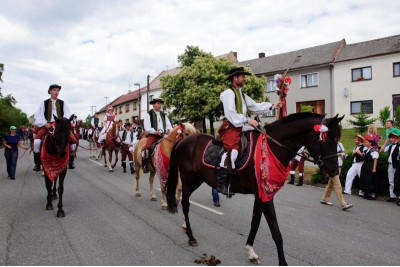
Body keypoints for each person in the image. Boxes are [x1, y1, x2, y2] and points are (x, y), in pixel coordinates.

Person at [217, 66, 281, 195]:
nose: (244, 79)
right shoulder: (228, 93)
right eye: (242, 76)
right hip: (230, 126)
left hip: (241, 125)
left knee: (261, 137)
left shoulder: (242, 95)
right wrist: (248, 120)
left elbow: (256, 107)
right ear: (235, 78)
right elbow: (231, 113)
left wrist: (273, 106)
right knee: (233, 151)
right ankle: (222, 183)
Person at [33, 84, 78, 171]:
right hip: (47, 125)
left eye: (58, 90)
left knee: (74, 141)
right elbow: (39, 116)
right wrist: (45, 123)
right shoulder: (44, 103)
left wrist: (63, 122)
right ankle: (37, 164)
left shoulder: (63, 103)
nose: (56, 92)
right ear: (50, 91)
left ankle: (71, 161)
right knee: (37, 142)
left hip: (60, 125)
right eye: (54, 90)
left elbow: (67, 114)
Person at [142, 98, 172, 173]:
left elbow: (169, 125)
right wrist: (155, 132)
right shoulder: (149, 115)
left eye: (160, 104)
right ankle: (145, 163)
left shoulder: (164, 115)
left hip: (164, 135)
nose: (160, 105)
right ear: (154, 105)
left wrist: (169, 130)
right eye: (158, 103)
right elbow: (147, 127)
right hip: (153, 135)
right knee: (148, 146)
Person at [320, 141, 353, 210]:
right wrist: (338, 154)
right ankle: (343, 204)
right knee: (338, 185)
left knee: (331, 184)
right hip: (332, 167)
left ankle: (324, 199)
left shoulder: (339, 144)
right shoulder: (328, 144)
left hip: (339, 166)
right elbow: (327, 156)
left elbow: (342, 154)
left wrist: (342, 155)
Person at [359, 135, 379, 200]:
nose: (365, 143)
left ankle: (372, 193)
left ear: (370, 143)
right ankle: (366, 192)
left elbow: (375, 159)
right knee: (365, 178)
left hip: (370, 165)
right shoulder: (366, 150)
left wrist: (374, 168)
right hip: (366, 166)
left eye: (367, 142)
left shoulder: (374, 151)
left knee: (370, 179)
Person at [383, 132, 400, 202]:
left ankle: (398, 196)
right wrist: (385, 143)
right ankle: (392, 195)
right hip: (390, 165)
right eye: (390, 138)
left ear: (396, 139)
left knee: (397, 181)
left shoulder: (399, 146)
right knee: (391, 181)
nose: (391, 139)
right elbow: (381, 150)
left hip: (397, 165)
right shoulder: (389, 147)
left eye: (392, 138)